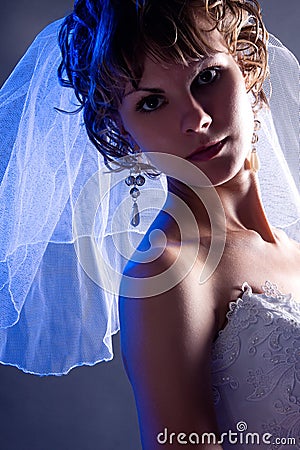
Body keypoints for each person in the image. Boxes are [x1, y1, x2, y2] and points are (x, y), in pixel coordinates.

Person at [0, 0, 299, 449]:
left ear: (247, 68)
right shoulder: (169, 270)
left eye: (207, 77)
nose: (196, 118)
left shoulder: (292, 246)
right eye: (152, 101)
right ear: (120, 130)